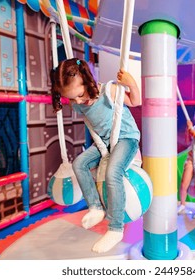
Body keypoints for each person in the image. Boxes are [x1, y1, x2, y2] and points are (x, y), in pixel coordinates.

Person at [50, 58, 141, 253]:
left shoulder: (110, 91)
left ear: (88, 80)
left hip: (126, 138)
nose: (78, 102)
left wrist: (131, 83)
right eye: (71, 99)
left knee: (112, 172)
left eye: (80, 95)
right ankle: (96, 207)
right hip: (105, 144)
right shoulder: (78, 103)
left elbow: (136, 101)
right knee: (79, 164)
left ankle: (116, 228)